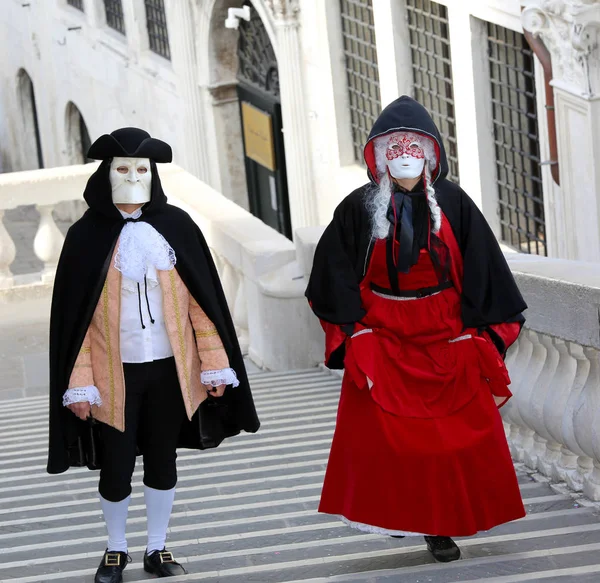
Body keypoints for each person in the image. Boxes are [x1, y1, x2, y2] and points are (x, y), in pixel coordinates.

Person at [306, 96, 527, 563]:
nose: (404, 157)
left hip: (446, 336)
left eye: (414, 148)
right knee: (393, 443)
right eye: (395, 148)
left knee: (451, 442)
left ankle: (441, 526)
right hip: (383, 337)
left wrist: (481, 332)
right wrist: (354, 332)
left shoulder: (456, 204)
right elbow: (333, 271)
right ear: (379, 155)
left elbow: (485, 266)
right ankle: (413, 519)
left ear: (430, 153)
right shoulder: (357, 208)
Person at [47, 127, 260, 582]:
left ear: (153, 174)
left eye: (140, 169)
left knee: (163, 461)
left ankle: (158, 547)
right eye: (122, 169)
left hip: (169, 371)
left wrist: (214, 363)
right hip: (112, 375)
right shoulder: (85, 237)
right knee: (117, 466)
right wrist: (78, 382)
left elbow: (202, 307)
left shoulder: (177, 228)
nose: (131, 176)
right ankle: (116, 549)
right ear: (106, 176)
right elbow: (77, 321)